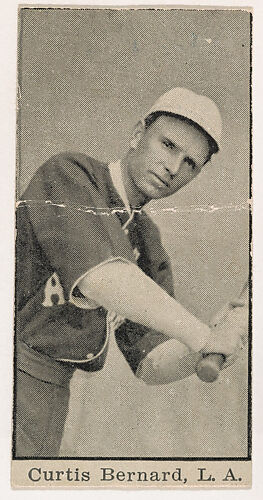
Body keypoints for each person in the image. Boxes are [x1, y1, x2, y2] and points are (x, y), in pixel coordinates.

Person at [15, 87, 247, 457]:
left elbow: (152, 364)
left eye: (190, 163)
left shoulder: (147, 239)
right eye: (168, 145)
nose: (174, 168)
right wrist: (203, 336)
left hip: (49, 395)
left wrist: (212, 342)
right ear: (138, 134)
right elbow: (103, 279)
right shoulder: (70, 175)